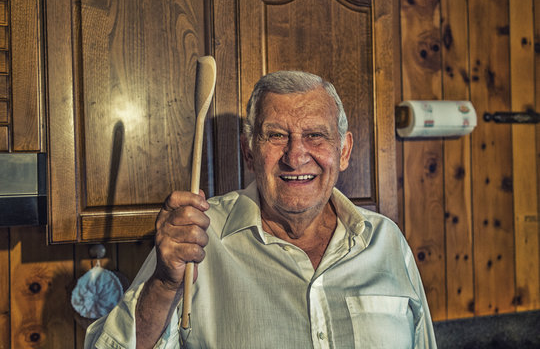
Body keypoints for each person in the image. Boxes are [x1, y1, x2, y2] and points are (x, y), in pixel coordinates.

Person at [85, 71, 437, 348]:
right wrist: (163, 283)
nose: (296, 155)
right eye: (277, 135)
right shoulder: (195, 237)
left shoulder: (386, 241)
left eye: (315, 135)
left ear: (343, 152)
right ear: (249, 152)